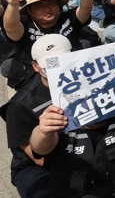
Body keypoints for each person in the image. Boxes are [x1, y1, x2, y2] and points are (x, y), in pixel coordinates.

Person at [2, 34, 71, 198]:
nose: (58, 66)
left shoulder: (88, 82)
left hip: (82, 146)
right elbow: (37, 158)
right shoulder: (19, 107)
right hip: (35, 165)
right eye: (51, 62)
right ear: (35, 66)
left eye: (64, 59)